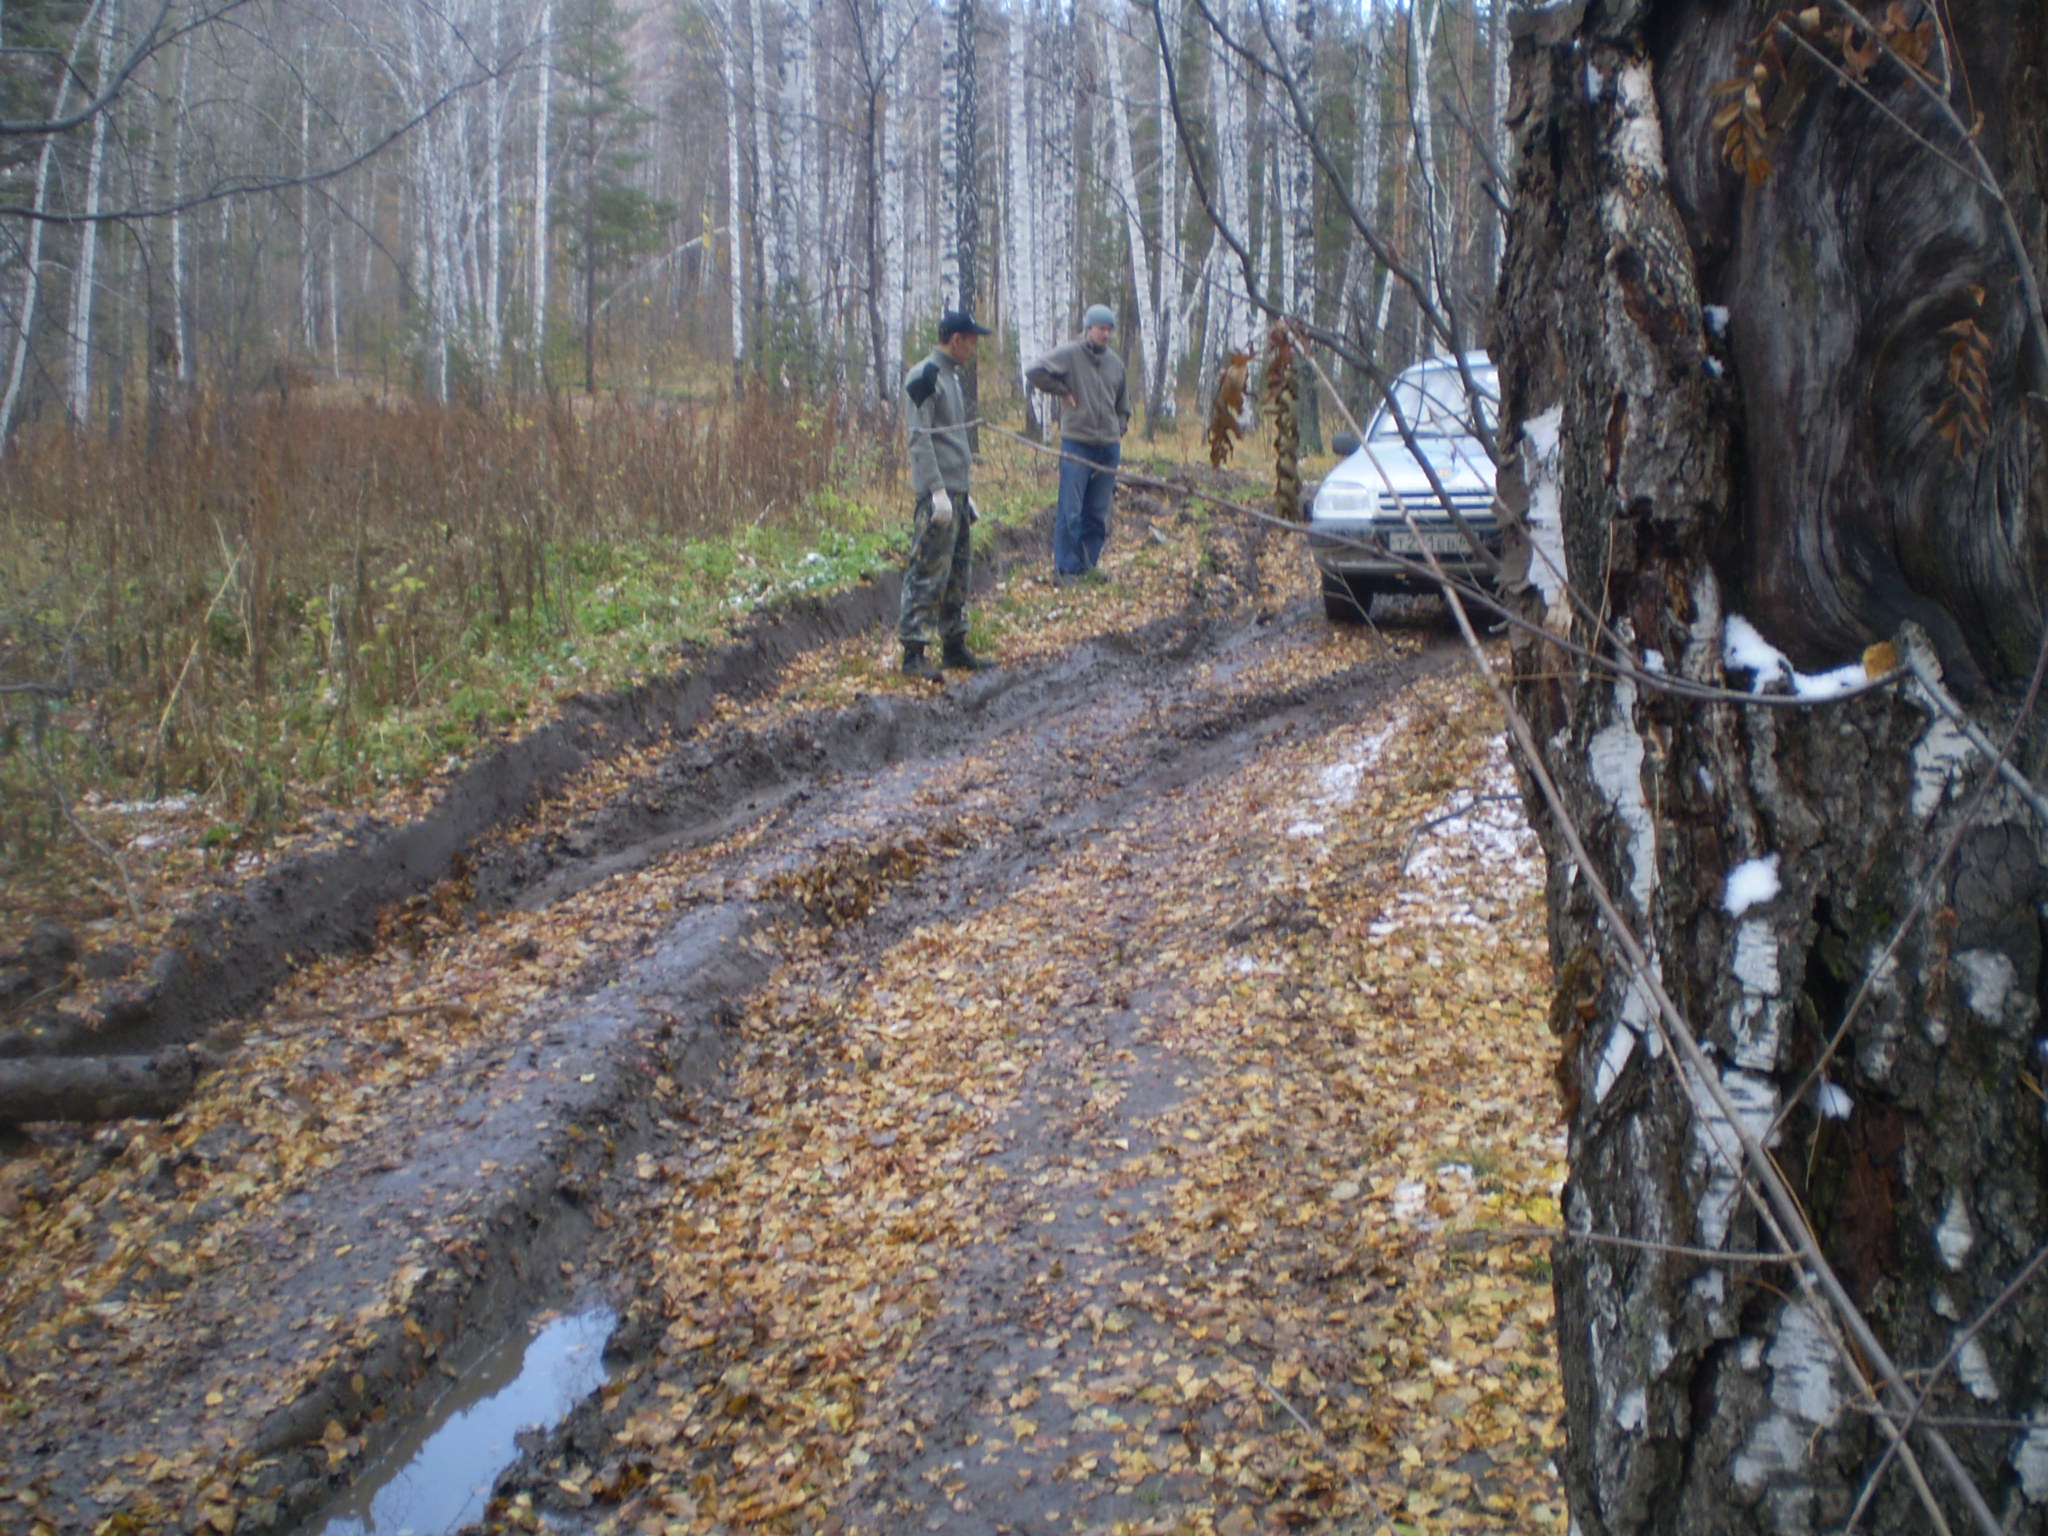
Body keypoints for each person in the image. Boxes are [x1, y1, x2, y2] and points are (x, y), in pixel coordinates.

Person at [900, 309, 994, 680]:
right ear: (956, 340)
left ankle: (954, 645)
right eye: (971, 343)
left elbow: (951, 438)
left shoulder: (951, 378)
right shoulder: (924, 377)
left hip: (956, 492)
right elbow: (919, 439)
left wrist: (961, 492)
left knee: (957, 572)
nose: (973, 350)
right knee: (928, 571)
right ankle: (914, 652)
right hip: (937, 495)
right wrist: (935, 489)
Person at [1027, 304, 1131, 581]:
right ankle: (1065, 570)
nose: (1106, 334)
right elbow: (1035, 371)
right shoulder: (1070, 354)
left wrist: (1118, 429)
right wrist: (1062, 391)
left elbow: (1124, 404)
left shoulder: (1115, 364)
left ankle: (1088, 567)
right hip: (1077, 443)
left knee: (1097, 512)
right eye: (1101, 329)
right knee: (1070, 510)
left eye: (1110, 330)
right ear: (1088, 329)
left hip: (1108, 447)